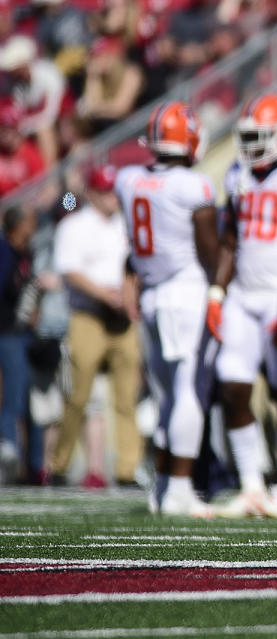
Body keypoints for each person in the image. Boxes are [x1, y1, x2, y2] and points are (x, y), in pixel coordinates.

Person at [206, 93, 277, 519]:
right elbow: (231, 240)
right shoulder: (238, 174)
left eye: (261, 136)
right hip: (243, 295)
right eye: (248, 136)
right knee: (233, 387)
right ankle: (252, 487)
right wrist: (217, 293)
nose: (251, 145)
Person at [115, 102, 219, 517]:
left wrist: (67, 200)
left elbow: (85, 197)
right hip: (184, 291)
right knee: (189, 389)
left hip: (152, 295)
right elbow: (209, 249)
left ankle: (162, 487)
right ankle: (178, 487)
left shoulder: (127, 180)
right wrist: (222, 288)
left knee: (166, 397)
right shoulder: (194, 186)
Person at [52, 165, 141, 487]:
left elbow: (136, 268)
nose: (110, 198)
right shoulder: (74, 224)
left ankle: (127, 469)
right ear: (90, 192)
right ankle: (60, 464)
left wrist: (127, 297)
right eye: (104, 191)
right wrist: (106, 294)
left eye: (113, 191)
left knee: (126, 397)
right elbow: (69, 270)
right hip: (88, 315)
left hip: (122, 317)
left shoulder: (127, 225)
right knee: (77, 395)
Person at [0, 207, 37, 483]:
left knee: (24, 398)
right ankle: (11, 455)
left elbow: (67, 202)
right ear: (18, 226)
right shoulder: (5, 253)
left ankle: (31, 463)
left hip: (21, 334)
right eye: (29, 221)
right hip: (8, 333)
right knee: (13, 398)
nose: (33, 226)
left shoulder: (26, 251)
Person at [0, 34, 65, 164]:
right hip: (33, 123)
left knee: (43, 130)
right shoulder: (16, 85)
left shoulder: (48, 74)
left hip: (62, 122)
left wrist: (26, 123)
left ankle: (49, 177)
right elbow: (18, 111)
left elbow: (51, 114)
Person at [0, 97, 45, 198]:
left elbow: (43, 188)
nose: (5, 133)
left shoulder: (30, 153)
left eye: (10, 128)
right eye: (2, 128)